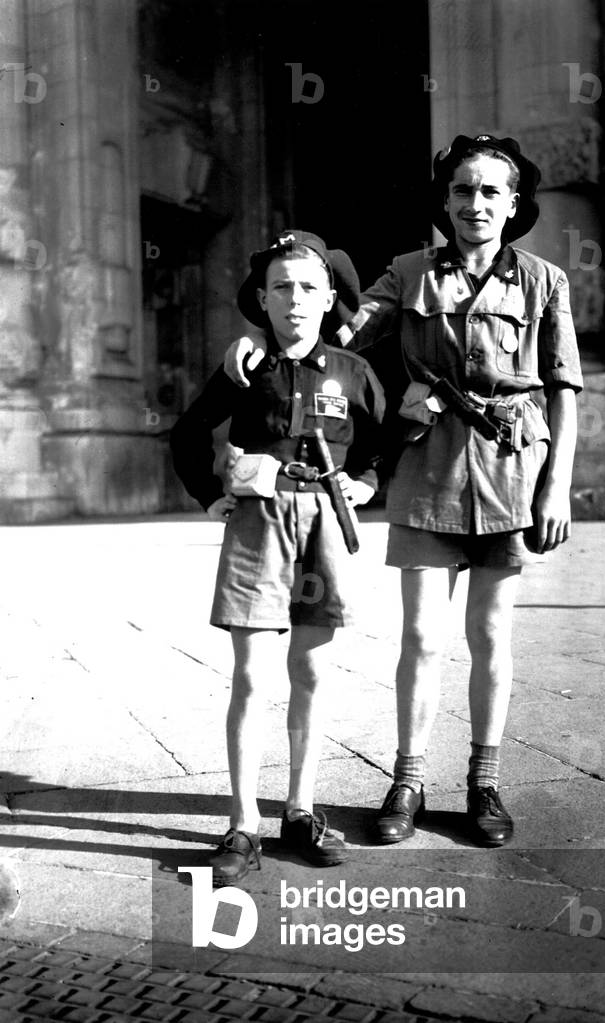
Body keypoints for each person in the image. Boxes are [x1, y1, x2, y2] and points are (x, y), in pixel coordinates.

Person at [224, 135, 583, 848]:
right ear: (445, 202)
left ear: (514, 205)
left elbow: (565, 392)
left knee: (490, 634)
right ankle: (408, 780)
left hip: (512, 467)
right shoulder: (409, 271)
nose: (474, 204)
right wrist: (257, 347)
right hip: (427, 469)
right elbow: (336, 325)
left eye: (490, 192)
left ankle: (485, 783)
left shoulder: (545, 282)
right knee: (420, 636)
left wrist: (558, 488)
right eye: (461, 191)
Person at [171, 230, 385, 884]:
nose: (295, 300)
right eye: (282, 288)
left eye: (308, 288)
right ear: (262, 299)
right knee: (252, 677)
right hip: (258, 525)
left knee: (311, 671)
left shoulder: (354, 373)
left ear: (329, 299)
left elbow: (384, 443)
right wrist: (212, 497)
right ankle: (242, 821)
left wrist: (368, 481)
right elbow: (186, 433)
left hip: (323, 522)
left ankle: (300, 807)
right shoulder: (245, 366)